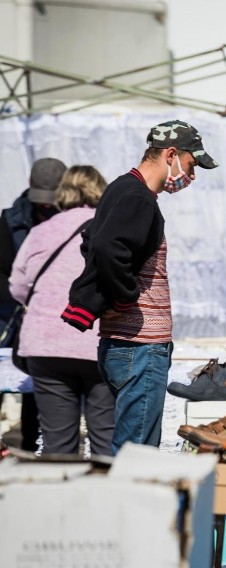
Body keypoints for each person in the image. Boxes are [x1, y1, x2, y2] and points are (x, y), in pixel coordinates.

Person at [61, 120, 218, 453]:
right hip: (139, 346)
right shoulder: (138, 197)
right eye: (191, 165)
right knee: (137, 453)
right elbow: (104, 248)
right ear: (171, 154)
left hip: (125, 343)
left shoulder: (122, 189)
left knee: (129, 446)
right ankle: (126, 505)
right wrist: (125, 296)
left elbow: (93, 241)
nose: (192, 176)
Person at [10, 166, 114, 456]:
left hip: (44, 345)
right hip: (96, 342)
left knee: (58, 444)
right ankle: (109, 498)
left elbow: (18, 286)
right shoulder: (110, 229)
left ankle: (60, 499)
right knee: (106, 438)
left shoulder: (41, 231)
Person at [0, 157, 67, 452]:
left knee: (38, 383)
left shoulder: (72, 217)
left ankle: (30, 444)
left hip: (49, 315)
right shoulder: (10, 220)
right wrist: (19, 300)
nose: (45, 207)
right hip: (10, 314)